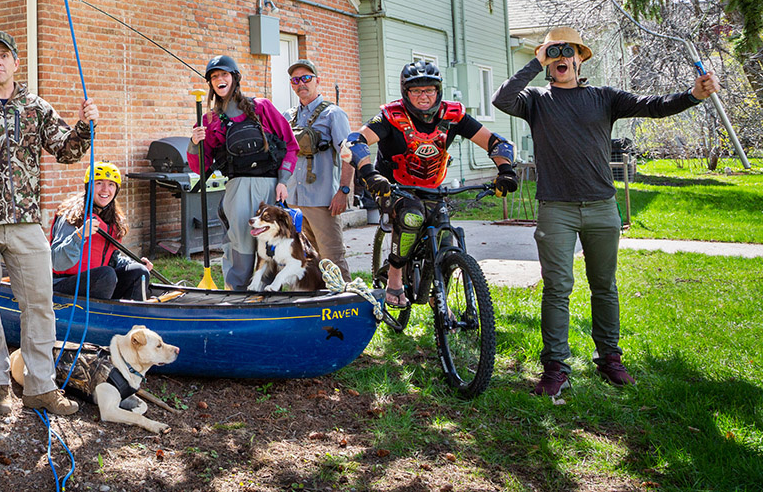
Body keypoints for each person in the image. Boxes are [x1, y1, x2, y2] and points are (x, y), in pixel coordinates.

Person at [493, 26, 720, 397]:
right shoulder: (535, 99)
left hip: (601, 206)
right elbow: (502, 99)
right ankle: (555, 367)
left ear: (581, 59)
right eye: (554, 52)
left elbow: (653, 106)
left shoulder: (605, 97)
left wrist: (693, 95)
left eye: (569, 52)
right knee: (557, 288)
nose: (561, 57)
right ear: (547, 60)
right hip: (557, 209)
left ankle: (610, 359)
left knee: (604, 286)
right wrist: (535, 63)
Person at [0, 30, 98, 417]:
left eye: (3, 55)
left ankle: (40, 387)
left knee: (40, 304)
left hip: (26, 224)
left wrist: (85, 125)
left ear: (15, 62)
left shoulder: (34, 107)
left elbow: (66, 150)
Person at [347, 60, 517, 308]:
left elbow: (495, 142)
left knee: (445, 238)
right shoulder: (390, 116)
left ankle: (439, 298)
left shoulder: (453, 115)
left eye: (429, 90)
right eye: (416, 91)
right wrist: (369, 174)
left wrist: (506, 171)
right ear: (406, 93)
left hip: (432, 186)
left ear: (438, 91)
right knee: (411, 218)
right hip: (391, 186)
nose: (423, 96)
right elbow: (356, 141)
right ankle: (395, 279)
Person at [188, 55, 299, 290]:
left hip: (269, 185)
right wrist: (193, 143)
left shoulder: (262, 107)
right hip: (237, 187)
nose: (219, 80)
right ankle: (237, 292)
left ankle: (269, 292)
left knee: (270, 241)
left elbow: (290, 145)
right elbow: (201, 167)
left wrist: (283, 181)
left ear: (235, 78)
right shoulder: (209, 120)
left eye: (224, 74)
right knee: (241, 242)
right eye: (214, 77)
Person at [283, 59, 356, 280]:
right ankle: (317, 303)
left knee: (332, 257)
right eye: (296, 80)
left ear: (317, 81)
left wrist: (343, 191)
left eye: (306, 78)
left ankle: (346, 305)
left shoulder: (334, 114)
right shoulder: (289, 116)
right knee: (307, 259)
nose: (301, 83)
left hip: (323, 200)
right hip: (294, 201)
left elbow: (349, 155)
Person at [50, 161, 153, 300]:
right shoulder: (71, 216)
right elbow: (56, 261)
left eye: (111, 184)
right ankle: (98, 317)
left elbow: (111, 259)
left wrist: (134, 263)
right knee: (107, 275)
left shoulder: (112, 219)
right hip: (63, 284)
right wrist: (79, 235)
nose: (105, 189)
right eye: (99, 183)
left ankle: (131, 317)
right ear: (88, 186)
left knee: (139, 272)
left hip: (98, 283)